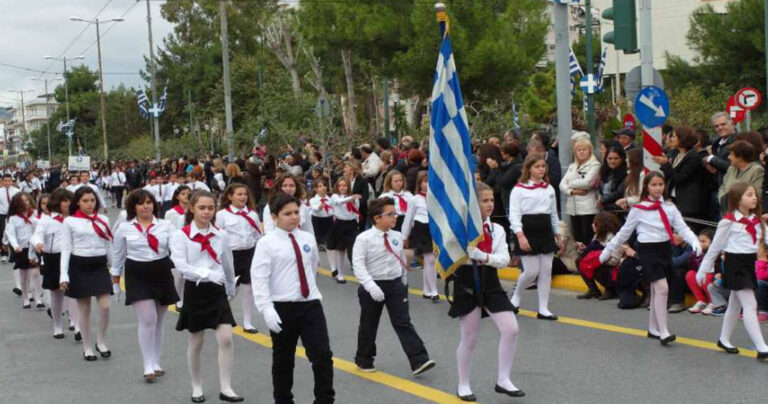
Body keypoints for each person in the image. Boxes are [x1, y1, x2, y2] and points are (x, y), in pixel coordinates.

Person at [251, 193, 335, 404]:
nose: (294, 217)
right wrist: (266, 308)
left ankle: (324, 399)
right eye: (287, 213)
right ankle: (283, 400)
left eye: (296, 212)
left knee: (322, 356)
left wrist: (312, 293)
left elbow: (312, 266)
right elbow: (259, 277)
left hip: (310, 305)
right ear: (274, 217)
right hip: (282, 307)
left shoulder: (307, 238)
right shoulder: (266, 243)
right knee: (283, 359)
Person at [600, 172, 702, 345]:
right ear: (646, 187)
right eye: (654, 185)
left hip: (664, 249)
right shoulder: (638, 209)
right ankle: (664, 331)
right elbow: (624, 232)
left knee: (656, 290)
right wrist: (608, 250)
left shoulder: (670, 207)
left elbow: (682, 228)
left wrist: (694, 241)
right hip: (647, 251)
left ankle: (653, 327)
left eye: (661, 184)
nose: (658, 188)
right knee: (662, 288)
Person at [449, 182, 522, 401]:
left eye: (492, 200)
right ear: (474, 204)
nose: (490, 204)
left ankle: (503, 380)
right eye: (485, 200)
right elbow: (452, 255)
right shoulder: (461, 228)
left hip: (490, 281)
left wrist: (483, 256)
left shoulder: (497, 229)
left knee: (511, 329)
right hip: (466, 281)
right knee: (470, 338)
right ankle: (463, 384)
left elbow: (504, 260)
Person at [170, 190, 242, 402]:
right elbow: (181, 265)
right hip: (195, 290)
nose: (207, 212)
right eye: (202, 207)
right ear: (191, 208)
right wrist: (207, 273)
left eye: (211, 208)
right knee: (196, 341)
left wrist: (230, 287)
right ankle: (196, 385)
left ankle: (226, 387)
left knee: (226, 338)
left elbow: (228, 264)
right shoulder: (180, 235)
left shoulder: (221, 235)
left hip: (217, 290)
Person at [351, 197, 435, 376]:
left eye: (395, 213)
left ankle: (419, 359)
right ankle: (364, 359)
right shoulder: (363, 238)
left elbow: (401, 259)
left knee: (403, 322)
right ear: (377, 218)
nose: (395, 217)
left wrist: (403, 280)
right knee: (369, 324)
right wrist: (370, 286)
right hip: (372, 285)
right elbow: (358, 265)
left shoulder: (397, 236)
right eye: (390, 214)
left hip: (395, 284)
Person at [112, 190, 179, 382]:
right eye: (141, 203)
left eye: (149, 202)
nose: (146, 206)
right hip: (137, 273)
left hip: (162, 271)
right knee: (148, 319)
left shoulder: (166, 225)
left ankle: (156, 361)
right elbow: (118, 256)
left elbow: (178, 248)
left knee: (159, 320)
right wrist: (116, 281)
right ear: (133, 207)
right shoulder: (124, 228)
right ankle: (147, 364)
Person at [696, 182, 768, 358]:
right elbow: (714, 248)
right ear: (737, 199)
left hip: (749, 264)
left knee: (735, 305)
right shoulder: (727, 222)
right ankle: (762, 347)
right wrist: (703, 270)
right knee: (750, 304)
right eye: (749, 195)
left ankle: (724, 339)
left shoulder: (758, 222)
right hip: (734, 265)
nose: (754, 198)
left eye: (755, 195)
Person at [59, 187, 115, 361]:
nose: (90, 204)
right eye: (85, 201)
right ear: (77, 202)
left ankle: (101, 340)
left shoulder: (103, 219)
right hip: (79, 265)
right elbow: (66, 248)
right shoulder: (70, 222)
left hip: (99, 266)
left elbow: (108, 245)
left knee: (105, 306)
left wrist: (115, 268)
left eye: (92, 200)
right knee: (84, 310)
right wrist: (64, 275)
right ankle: (87, 347)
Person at [509, 154, 563, 320]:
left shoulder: (549, 188)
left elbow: (554, 214)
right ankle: (516, 296)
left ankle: (543, 308)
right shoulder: (518, 189)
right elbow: (514, 215)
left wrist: (558, 235)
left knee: (546, 271)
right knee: (531, 271)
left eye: (543, 166)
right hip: (528, 231)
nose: (541, 169)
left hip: (546, 231)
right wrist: (520, 236)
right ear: (529, 169)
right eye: (537, 166)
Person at [216, 184, 263, 334]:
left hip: (249, 253)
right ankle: (219, 312)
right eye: (239, 194)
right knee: (231, 289)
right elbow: (217, 237)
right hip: (230, 255)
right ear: (230, 196)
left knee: (248, 288)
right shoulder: (222, 214)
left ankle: (247, 322)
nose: (243, 197)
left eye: (245, 194)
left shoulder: (252, 214)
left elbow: (258, 235)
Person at [32, 189, 78, 339]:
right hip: (53, 258)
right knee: (56, 293)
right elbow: (36, 235)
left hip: (72, 257)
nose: (67, 203)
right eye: (64, 200)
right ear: (57, 203)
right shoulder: (47, 219)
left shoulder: (75, 219)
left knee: (72, 291)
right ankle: (57, 325)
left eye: (69, 200)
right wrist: (38, 243)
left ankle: (76, 323)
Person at [658, 126, 710, 223]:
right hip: (673, 199)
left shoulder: (693, 157)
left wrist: (666, 164)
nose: (670, 139)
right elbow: (670, 176)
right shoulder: (675, 154)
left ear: (682, 138)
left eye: (673, 136)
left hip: (688, 203)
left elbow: (680, 178)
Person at [402, 171, 438, 301]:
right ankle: (434, 290)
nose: (427, 184)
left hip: (433, 230)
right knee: (430, 260)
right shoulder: (415, 199)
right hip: (421, 230)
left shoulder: (437, 198)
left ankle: (426, 290)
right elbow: (408, 218)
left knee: (429, 261)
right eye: (424, 181)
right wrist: (404, 237)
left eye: (429, 181)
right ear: (419, 183)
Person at [560, 139, 601, 244]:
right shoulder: (572, 166)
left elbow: (587, 183)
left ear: (590, 151)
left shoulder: (595, 165)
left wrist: (569, 183)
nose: (581, 152)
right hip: (573, 208)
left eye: (584, 149)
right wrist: (572, 192)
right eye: (578, 150)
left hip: (588, 208)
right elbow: (561, 185)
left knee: (587, 236)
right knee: (577, 238)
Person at [6, 192, 41, 309]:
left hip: (34, 247)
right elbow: (11, 234)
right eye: (22, 201)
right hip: (22, 249)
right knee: (24, 275)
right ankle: (26, 297)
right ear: (17, 204)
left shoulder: (35, 215)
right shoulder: (13, 219)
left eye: (27, 200)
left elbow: (39, 231)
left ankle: (37, 297)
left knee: (36, 274)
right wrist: (15, 245)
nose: (26, 203)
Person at [576, 212, 621, 300]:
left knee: (594, 264)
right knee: (579, 260)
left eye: (595, 223)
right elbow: (591, 251)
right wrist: (583, 249)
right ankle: (593, 290)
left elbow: (615, 260)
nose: (592, 225)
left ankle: (611, 290)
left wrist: (598, 257)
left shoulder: (613, 237)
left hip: (613, 266)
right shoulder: (598, 235)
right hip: (603, 260)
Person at [326, 177, 361, 284]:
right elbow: (340, 202)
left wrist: (357, 221)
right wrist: (352, 198)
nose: (342, 187)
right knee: (340, 250)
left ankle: (360, 273)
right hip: (340, 224)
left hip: (352, 225)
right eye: (340, 185)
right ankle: (340, 274)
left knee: (356, 249)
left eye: (344, 185)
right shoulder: (335, 196)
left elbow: (356, 210)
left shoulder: (352, 197)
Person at [717, 140, 764, 208]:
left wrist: (733, 203)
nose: (728, 157)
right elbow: (723, 187)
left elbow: (757, 194)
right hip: (727, 209)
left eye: (731, 154)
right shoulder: (731, 168)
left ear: (740, 156)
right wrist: (723, 201)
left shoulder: (756, 170)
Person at [685, 229, 715, 314]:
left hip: (713, 277)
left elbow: (715, 269)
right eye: (699, 241)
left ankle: (713, 302)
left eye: (703, 241)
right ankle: (701, 301)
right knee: (690, 274)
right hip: (701, 276)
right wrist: (695, 255)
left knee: (706, 276)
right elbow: (692, 267)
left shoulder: (715, 253)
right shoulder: (697, 251)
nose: (701, 243)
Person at [0, 174, 21, 293]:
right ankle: (4, 252)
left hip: (14, 215)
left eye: (9, 181)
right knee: (3, 233)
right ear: (2, 182)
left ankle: (13, 251)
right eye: (5, 181)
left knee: (13, 234)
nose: (7, 182)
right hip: (2, 215)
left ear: (12, 182)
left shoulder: (17, 192)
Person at [704, 111, 736, 184]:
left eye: (723, 124)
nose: (720, 128)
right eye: (717, 126)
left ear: (731, 123)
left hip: (730, 186)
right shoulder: (714, 143)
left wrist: (711, 158)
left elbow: (733, 166)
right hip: (715, 186)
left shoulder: (739, 141)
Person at [597, 145, 627, 212]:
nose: (613, 161)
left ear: (622, 159)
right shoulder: (604, 171)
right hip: (604, 208)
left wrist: (603, 199)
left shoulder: (626, 173)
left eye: (616, 158)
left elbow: (619, 192)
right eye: (610, 158)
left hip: (618, 208)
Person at [308, 178, 334, 250]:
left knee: (329, 237)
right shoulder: (313, 200)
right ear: (315, 189)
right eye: (320, 186)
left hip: (328, 220)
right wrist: (319, 207)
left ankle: (327, 245)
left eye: (324, 186)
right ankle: (319, 245)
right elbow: (314, 208)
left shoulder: (330, 199)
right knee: (318, 237)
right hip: (317, 220)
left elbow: (333, 209)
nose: (323, 188)